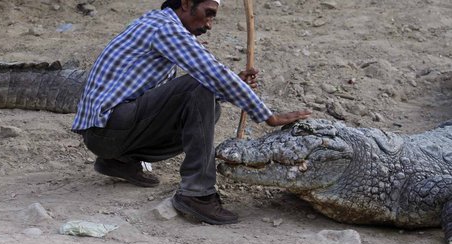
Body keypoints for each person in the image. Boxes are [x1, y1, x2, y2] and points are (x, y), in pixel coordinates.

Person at [71, 0, 312, 225]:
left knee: (210, 103)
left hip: (106, 134)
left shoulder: (158, 24)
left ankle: (118, 161)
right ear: (186, 3)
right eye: (208, 14)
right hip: (107, 129)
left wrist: (231, 86)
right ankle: (197, 194)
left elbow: (177, 100)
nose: (209, 25)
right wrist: (267, 115)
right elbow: (210, 72)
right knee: (200, 84)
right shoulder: (164, 27)